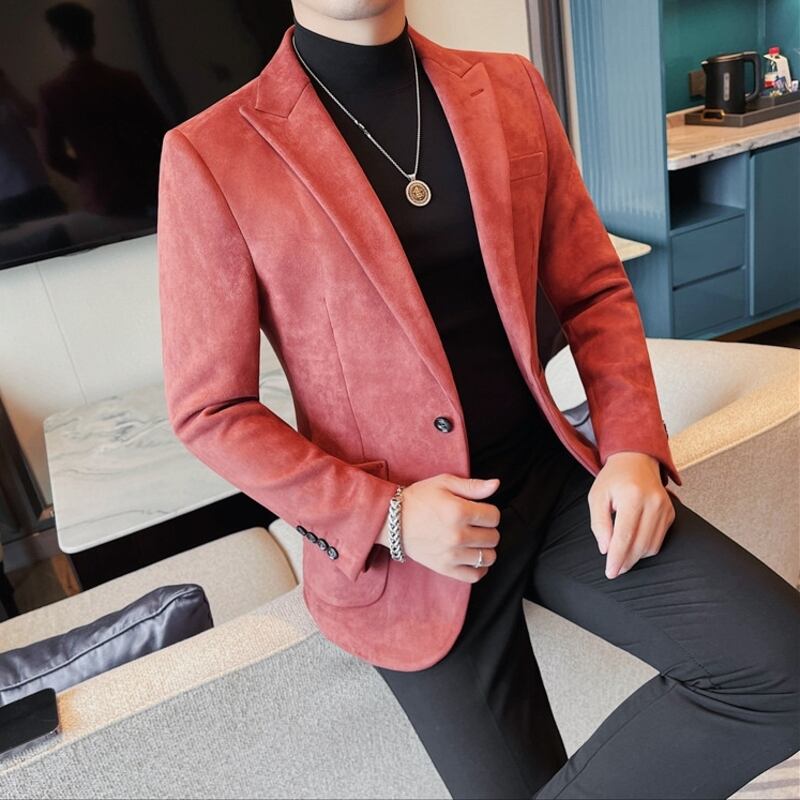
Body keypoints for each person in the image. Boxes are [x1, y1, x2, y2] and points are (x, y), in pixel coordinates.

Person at [156, 2, 800, 797]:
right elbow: (210, 410)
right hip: (409, 554)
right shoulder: (212, 151)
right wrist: (387, 516)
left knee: (783, 669)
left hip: (556, 486)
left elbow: (592, 289)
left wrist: (632, 444)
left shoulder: (507, 87)